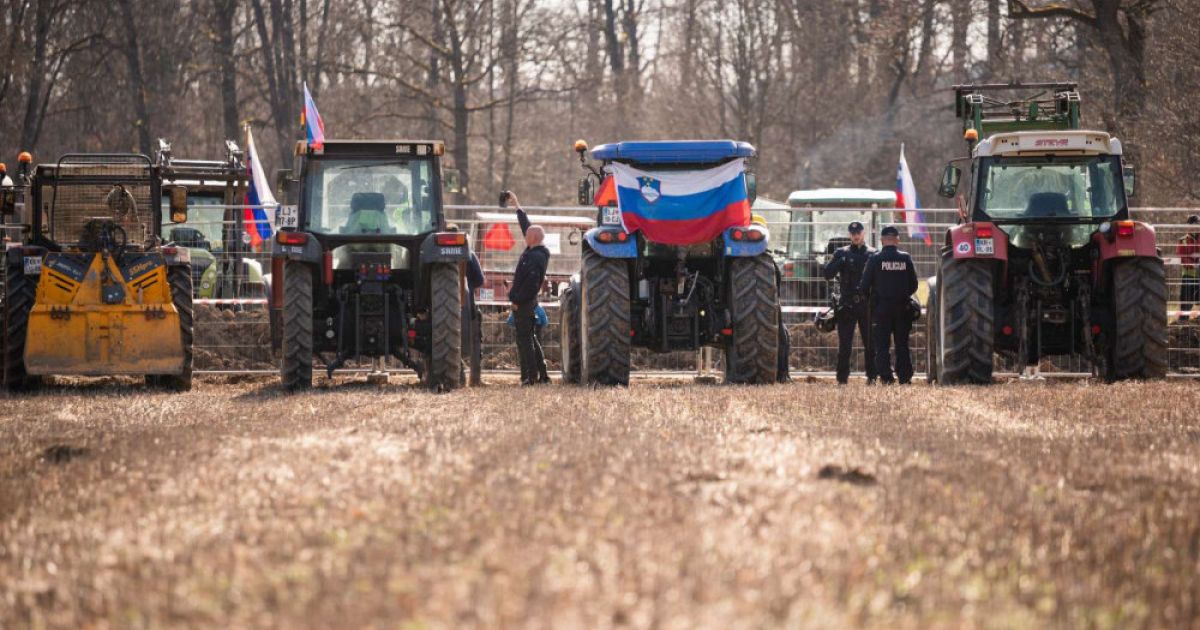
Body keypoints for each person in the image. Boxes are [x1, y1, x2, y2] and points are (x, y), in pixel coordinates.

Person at [858, 225, 918, 385]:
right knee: (902, 344)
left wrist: (872, 301)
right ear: (897, 240)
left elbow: (864, 286)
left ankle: (886, 377)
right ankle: (905, 377)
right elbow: (914, 285)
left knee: (882, 345)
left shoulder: (875, 259)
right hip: (902, 308)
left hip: (881, 309)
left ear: (882, 240)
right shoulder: (905, 258)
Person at [504, 191, 551, 385]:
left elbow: (532, 285)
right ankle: (542, 375)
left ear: (532, 239)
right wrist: (517, 205)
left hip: (524, 303)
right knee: (530, 338)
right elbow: (527, 227)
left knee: (525, 341)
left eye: (527, 236)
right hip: (525, 302)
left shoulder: (535, 258)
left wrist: (516, 300)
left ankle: (532, 377)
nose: (524, 236)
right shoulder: (534, 250)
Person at [823, 221, 877, 385]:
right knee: (845, 345)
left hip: (867, 304)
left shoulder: (873, 254)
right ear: (849, 235)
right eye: (853, 233)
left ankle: (872, 377)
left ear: (863, 233)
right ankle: (842, 379)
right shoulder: (841, 253)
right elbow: (827, 273)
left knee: (870, 344)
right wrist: (840, 262)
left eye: (858, 232)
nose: (856, 235)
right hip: (847, 304)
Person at [447, 223, 485, 385]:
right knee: (474, 341)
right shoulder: (468, 253)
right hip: (467, 306)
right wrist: (468, 286)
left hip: (444, 310)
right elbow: (479, 279)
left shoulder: (439, 254)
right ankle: (475, 379)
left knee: (450, 340)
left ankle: (458, 376)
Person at [1177, 215, 1199, 321]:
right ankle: (1183, 324)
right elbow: (1182, 257)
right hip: (1188, 277)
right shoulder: (1183, 240)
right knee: (1186, 304)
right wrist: (1193, 264)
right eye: (1193, 225)